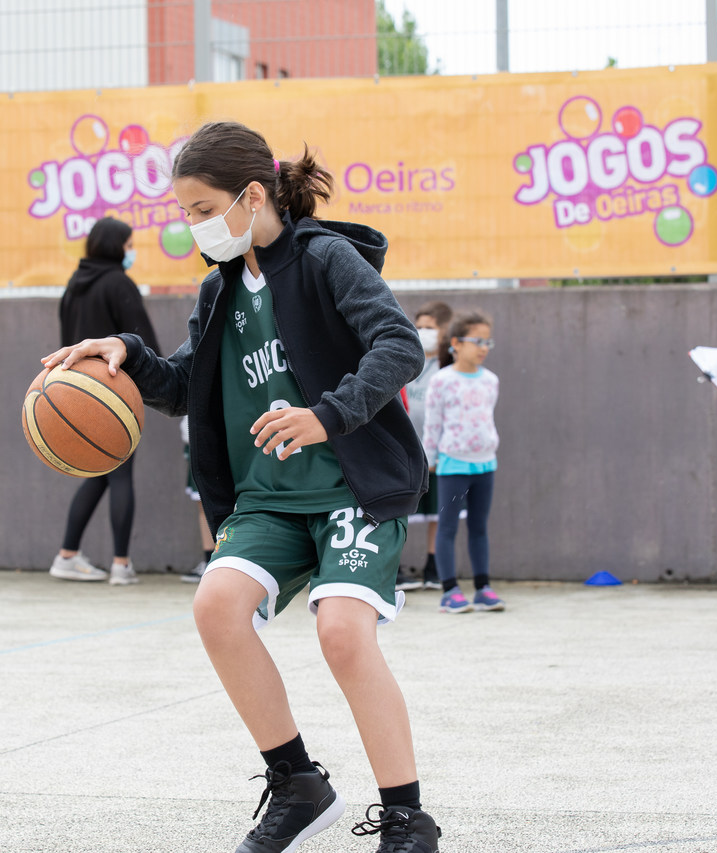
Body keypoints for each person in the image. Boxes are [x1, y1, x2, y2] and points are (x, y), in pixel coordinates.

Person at [42, 121, 440, 852]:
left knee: (343, 633)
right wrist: (123, 355)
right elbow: (188, 382)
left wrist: (328, 414)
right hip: (269, 497)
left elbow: (399, 344)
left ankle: (407, 818)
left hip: (351, 485)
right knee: (217, 607)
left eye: (200, 210)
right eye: (185, 212)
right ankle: (297, 784)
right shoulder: (219, 289)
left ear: (251, 195)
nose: (191, 226)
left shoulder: (326, 260)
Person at [49, 217, 161, 586]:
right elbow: (142, 345)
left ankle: (67, 555)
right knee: (120, 471)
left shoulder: (74, 286)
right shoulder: (118, 284)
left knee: (98, 472)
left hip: (74, 392)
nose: (132, 252)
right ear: (116, 247)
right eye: (129, 245)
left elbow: (67, 340)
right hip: (114, 391)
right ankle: (120, 563)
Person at [422, 312, 503, 615]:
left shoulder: (491, 381)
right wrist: (429, 458)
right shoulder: (442, 381)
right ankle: (450, 590)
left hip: (485, 465)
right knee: (447, 527)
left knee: (479, 527)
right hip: (453, 466)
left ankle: (483, 588)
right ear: (456, 343)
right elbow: (433, 423)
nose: (483, 348)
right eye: (477, 341)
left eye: (487, 342)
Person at [396, 301, 452, 592]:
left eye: (429, 328)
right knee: (400, 510)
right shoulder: (408, 358)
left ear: (444, 332)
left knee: (437, 511)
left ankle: (434, 565)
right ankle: (395, 567)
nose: (423, 333)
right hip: (408, 447)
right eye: (419, 326)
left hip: (439, 451)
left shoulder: (447, 366)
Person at [179, 414, 217, 583]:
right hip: (199, 434)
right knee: (204, 504)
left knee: (209, 505)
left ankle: (216, 561)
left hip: (212, 433)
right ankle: (210, 561)